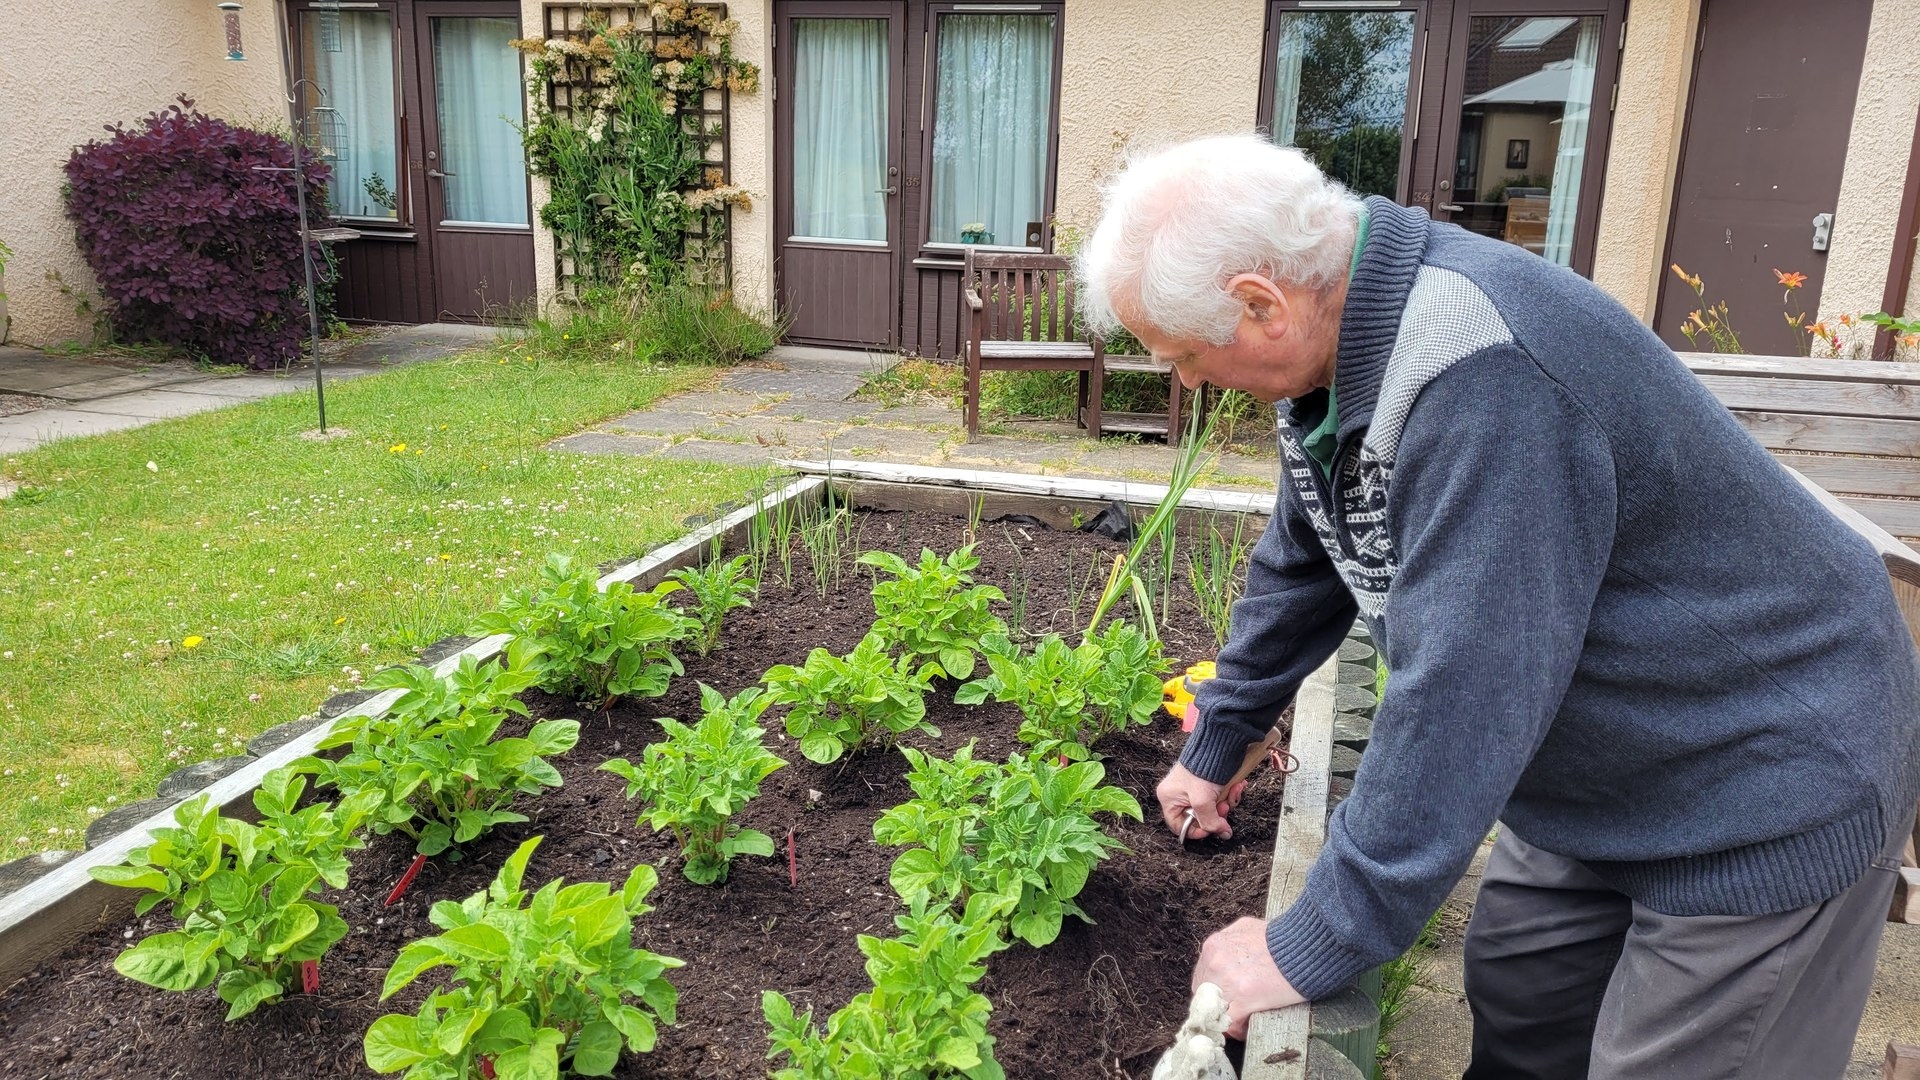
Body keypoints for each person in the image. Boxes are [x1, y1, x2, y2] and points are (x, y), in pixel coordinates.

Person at [1075, 133, 1920, 1079]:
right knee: (1523, 993)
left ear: (1261, 303)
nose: (1186, 381)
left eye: (1185, 355)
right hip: (1603, 766)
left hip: (1760, 779)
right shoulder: (1334, 351)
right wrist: (1220, 737)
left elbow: (1464, 689)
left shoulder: (1483, 370)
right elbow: (1306, 554)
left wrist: (1308, 940)